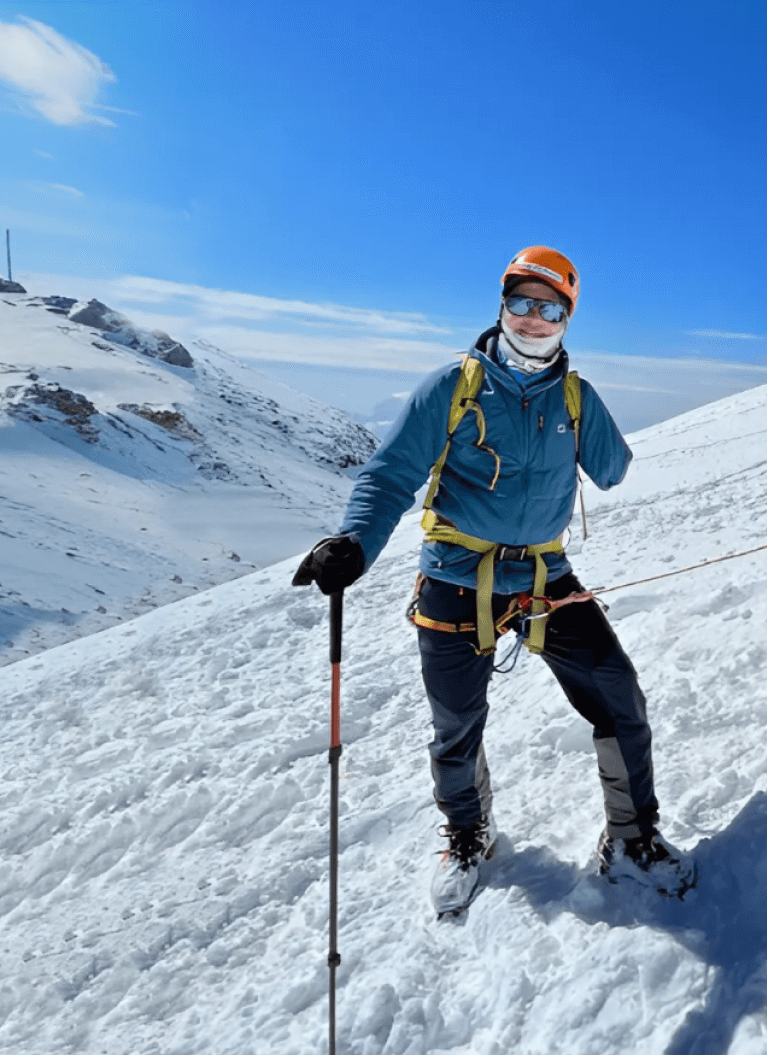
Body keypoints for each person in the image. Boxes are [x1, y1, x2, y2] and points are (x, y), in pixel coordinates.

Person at [292, 246, 693, 916]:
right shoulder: (454, 386)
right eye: (522, 303)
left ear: (567, 317)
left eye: (550, 308)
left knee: (620, 696)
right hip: (454, 577)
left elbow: (614, 470)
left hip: (543, 577)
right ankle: (467, 836)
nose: (534, 319)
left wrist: (586, 415)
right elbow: (390, 475)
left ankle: (631, 838)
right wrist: (354, 543)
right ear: (501, 306)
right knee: (456, 725)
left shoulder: (575, 395)